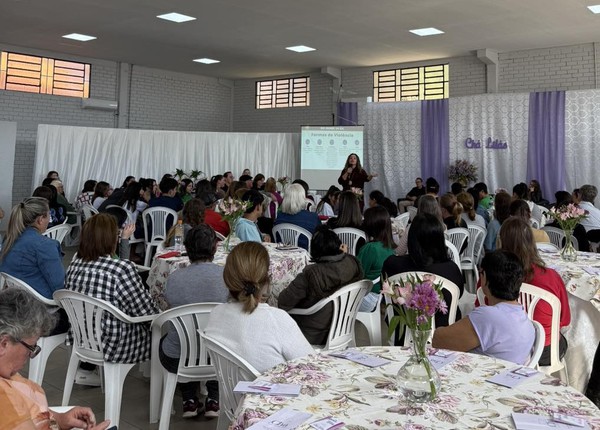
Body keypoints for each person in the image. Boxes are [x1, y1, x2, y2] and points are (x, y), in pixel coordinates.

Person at [0, 288, 111, 430]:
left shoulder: (6, 374)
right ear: (4, 344)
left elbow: (28, 412)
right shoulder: (4, 397)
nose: (31, 356)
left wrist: (57, 420)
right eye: (30, 348)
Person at [204, 242, 314, 373]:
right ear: (266, 279)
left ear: (228, 278)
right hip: (274, 386)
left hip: (230, 387)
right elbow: (312, 367)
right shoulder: (277, 319)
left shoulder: (215, 314)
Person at [65, 213, 159, 364]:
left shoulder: (75, 263)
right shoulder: (121, 269)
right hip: (115, 345)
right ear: (111, 239)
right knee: (163, 332)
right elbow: (148, 313)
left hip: (82, 337)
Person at [159, 225, 228, 419]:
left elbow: (168, 309)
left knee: (174, 338)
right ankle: (214, 398)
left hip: (178, 357)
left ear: (187, 249)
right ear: (215, 248)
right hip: (218, 357)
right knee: (219, 338)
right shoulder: (227, 277)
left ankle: (189, 399)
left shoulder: (173, 278)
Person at [432, 250, 535, 365]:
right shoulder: (525, 319)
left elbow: (438, 340)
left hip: (480, 374)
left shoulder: (488, 316)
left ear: (484, 277)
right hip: (505, 374)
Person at [498, 217, 571, 366]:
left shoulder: (490, 273)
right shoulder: (551, 276)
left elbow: (481, 307)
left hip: (503, 349)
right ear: (532, 243)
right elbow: (564, 319)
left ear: (501, 242)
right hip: (545, 351)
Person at [278, 226, 363, 345]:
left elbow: (282, 302)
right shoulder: (352, 263)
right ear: (338, 245)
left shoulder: (311, 274)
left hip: (312, 333)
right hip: (342, 328)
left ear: (314, 249)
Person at [383, 213, 464, 328]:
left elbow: (386, 295)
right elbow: (458, 295)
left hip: (402, 332)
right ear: (440, 240)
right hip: (444, 333)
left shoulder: (392, 264)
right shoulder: (451, 269)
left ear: (411, 239)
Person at [0, 197, 64, 300]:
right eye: (49, 216)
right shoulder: (45, 245)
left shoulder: (9, 238)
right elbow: (59, 287)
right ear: (40, 219)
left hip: (12, 298)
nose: (50, 220)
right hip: (39, 303)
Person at [357, 206, 396, 312]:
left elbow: (357, 274)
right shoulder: (391, 248)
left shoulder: (370, 248)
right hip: (379, 297)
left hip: (366, 297)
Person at [273, 183, 319, 250]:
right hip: (306, 253)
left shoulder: (280, 216)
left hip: (283, 252)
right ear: (302, 198)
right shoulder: (312, 217)